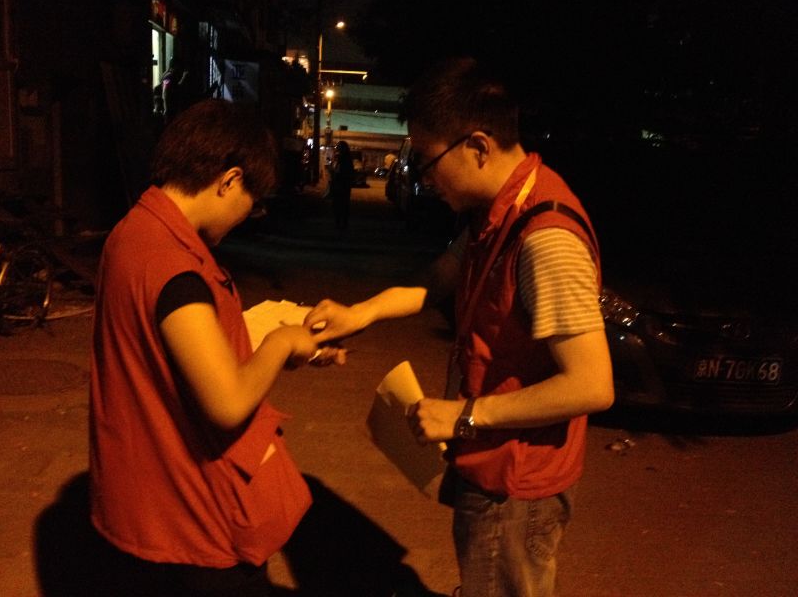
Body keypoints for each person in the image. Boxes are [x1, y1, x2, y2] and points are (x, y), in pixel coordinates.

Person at [304, 57, 614, 597]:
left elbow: (592, 385)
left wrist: (466, 415)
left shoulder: (545, 238)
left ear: (478, 146)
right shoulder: (499, 211)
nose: (422, 178)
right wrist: (359, 314)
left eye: (427, 160)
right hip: (489, 467)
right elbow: (437, 281)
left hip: (514, 486)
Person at [89, 99, 342, 596]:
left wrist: (260, 345)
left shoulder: (132, 232)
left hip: (139, 503)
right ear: (228, 180)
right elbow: (226, 403)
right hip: (192, 525)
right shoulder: (176, 269)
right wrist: (281, 341)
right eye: (252, 200)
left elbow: (172, 349)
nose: (248, 215)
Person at [329, 140, 354, 230]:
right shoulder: (346, 158)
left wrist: (333, 172)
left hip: (340, 185)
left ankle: (340, 222)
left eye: (338, 147)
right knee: (343, 204)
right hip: (344, 185)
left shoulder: (342, 158)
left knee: (339, 204)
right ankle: (342, 222)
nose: (337, 148)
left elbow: (339, 171)